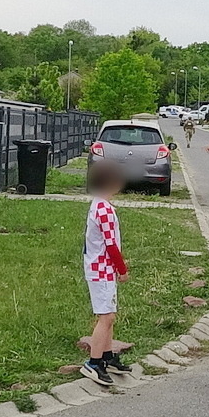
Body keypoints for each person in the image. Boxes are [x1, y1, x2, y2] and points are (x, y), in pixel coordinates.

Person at [80, 160, 130, 387]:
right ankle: (94, 361)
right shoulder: (105, 210)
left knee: (109, 313)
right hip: (102, 268)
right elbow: (111, 245)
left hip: (101, 267)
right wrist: (122, 268)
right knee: (106, 316)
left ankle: (107, 356)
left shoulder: (99, 205)